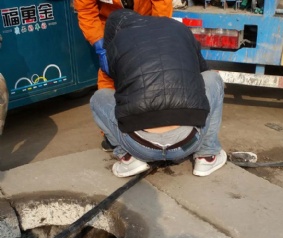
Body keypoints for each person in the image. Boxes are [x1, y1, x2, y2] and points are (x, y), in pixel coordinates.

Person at [90, 9, 227, 177]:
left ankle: (127, 158)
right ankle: (207, 155)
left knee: (98, 98)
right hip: (188, 142)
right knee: (213, 78)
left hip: (139, 146)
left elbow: (120, 88)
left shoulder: (117, 41)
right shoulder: (179, 28)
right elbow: (201, 71)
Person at [74, 0, 173, 149]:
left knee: (151, 79)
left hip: (145, 23)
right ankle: (113, 134)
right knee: (108, 81)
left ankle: (156, 131)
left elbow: (162, 4)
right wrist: (100, 43)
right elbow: (86, 11)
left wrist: (155, 34)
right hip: (111, 29)